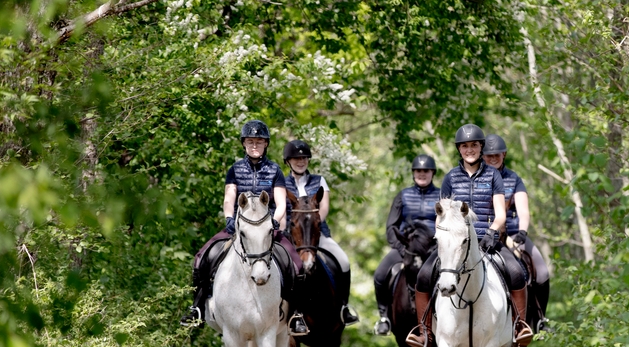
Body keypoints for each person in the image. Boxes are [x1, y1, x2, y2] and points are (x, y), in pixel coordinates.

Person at [409, 124, 533, 347]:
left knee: (516, 272)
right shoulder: (450, 178)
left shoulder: (494, 175)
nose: (470, 150)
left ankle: (519, 327)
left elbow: (501, 214)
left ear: (480, 147)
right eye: (465, 146)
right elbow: (441, 215)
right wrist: (443, 237)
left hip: (487, 240)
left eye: (474, 145)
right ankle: (424, 332)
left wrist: (491, 233)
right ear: (459, 149)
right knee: (424, 276)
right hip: (455, 243)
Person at [181, 120, 305, 332]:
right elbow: (229, 198)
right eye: (250, 142)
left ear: (266, 144)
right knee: (202, 257)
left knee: (297, 265)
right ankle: (197, 308)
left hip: (268, 228)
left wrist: (275, 221)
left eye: (258, 141)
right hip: (240, 228)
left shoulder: (275, 170)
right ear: (244, 144)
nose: (254, 146)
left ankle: (296, 315)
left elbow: (281, 202)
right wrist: (230, 218)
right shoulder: (235, 169)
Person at [282, 139, 359, 326]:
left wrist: (314, 225)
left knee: (343, 260)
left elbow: (324, 208)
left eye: (304, 158)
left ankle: (344, 307)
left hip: (317, 234)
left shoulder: (319, 181)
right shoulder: (282, 184)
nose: (301, 161)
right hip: (290, 237)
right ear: (288, 161)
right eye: (296, 158)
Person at [482, 133, 550, 333]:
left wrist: (522, 231)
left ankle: (540, 319)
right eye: (488, 155)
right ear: (482, 156)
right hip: (484, 233)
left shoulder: (514, 179)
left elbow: (523, 210)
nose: (493, 158)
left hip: (511, 234)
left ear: (504, 155)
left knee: (543, 271)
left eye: (497, 155)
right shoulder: (477, 179)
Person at [372, 154, 442, 335]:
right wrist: (402, 249)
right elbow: (391, 227)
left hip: (432, 249)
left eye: (425, 171)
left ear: (432, 173)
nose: (422, 174)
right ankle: (384, 317)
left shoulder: (441, 196)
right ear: (413, 173)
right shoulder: (402, 196)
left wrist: (438, 245)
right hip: (406, 248)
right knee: (380, 275)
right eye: (418, 171)